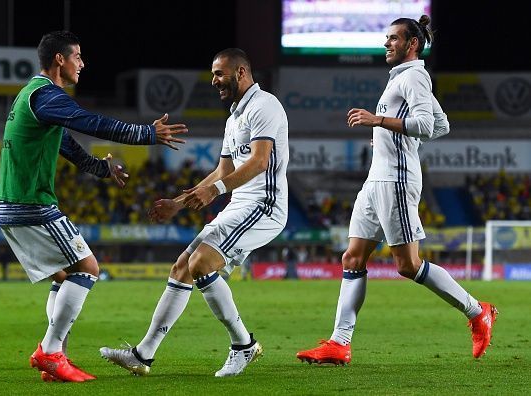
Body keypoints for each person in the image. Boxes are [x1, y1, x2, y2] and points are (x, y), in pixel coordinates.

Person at [296, 15, 497, 366]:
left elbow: (423, 125)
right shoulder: (404, 79)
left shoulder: (415, 76)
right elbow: (441, 125)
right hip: (377, 180)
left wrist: (378, 121)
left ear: (412, 44)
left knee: (407, 265)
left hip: (397, 180)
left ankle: (478, 312)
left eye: (392, 38)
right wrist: (388, 133)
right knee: (352, 258)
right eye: (386, 38)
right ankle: (339, 344)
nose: (386, 43)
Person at [0, 30, 186, 383]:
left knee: (66, 275)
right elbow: (91, 123)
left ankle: (56, 356)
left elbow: (65, 142)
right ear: (59, 59)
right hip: (31, 203)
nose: (82, 64)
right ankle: (50, 352)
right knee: (88, 268)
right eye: (78, 57)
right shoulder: (46, 95)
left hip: (13, 204)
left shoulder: (31, 96)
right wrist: (147, 134)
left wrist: (101, 167)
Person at [100, 48, 289, 377]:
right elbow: (222, 170)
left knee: (201, 263)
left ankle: (243, 346)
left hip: (265, 204)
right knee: (182, 267)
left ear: (241, 72)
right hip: (241, 204)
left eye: (219, 73)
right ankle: (142, 355)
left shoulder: (265, 105)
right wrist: (178, 202)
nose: (214, 80)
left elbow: (259, 162)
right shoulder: (234, 117)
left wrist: (214, 191)